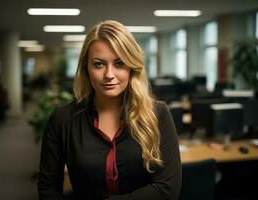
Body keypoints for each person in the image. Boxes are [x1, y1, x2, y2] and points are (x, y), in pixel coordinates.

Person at [37, 20, 181, 200]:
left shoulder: (158, 114)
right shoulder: (63, 119)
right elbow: (48, 186)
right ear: (86, 67)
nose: (109, 75)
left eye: (119, 64)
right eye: (99, 64)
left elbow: (168, 189)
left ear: (131, 67)